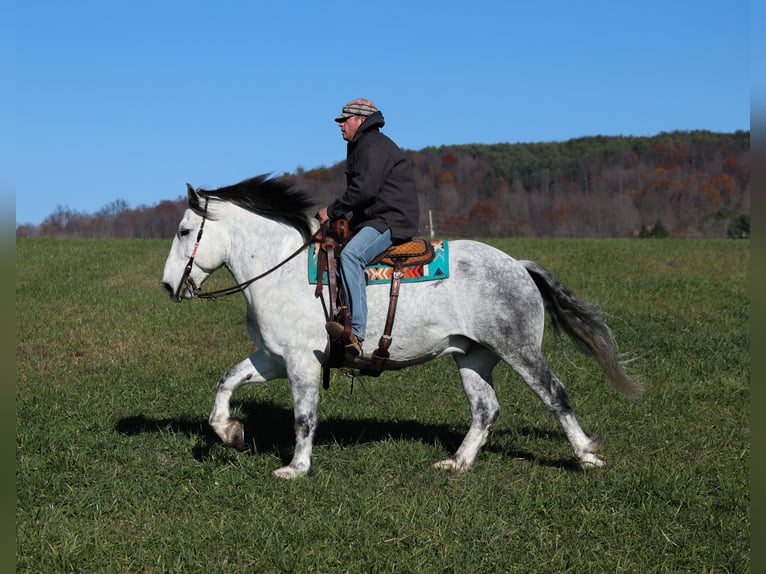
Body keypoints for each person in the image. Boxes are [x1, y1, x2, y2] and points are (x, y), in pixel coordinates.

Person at [316, 98, 419, 356]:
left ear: (360, 120)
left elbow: (364, 190)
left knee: (351, 256)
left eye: (344, 120)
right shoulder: (363, 145)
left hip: (391, 219)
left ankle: (357, 333)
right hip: (375, 217)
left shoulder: (373, 147)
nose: (340, 125)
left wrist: (332, 210)